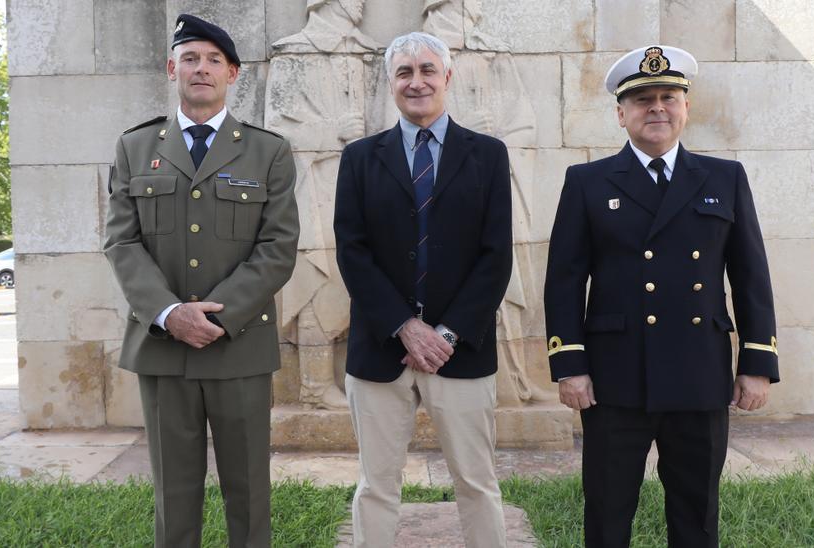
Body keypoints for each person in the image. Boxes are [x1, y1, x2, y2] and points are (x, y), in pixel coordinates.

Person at [543, 44, 780, 547]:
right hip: (613, 377)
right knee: (607, 509)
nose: (657, 108)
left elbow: (750, 274)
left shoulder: (724, 178)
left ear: (686, 108)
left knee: (696, 512)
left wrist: (757, 362)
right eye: (643, 99)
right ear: (621, 113)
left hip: (699, 372)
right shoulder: (587, 182)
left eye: (668, 97)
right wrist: (569, 364)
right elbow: (564, 278)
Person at [103, 14, 299, 548]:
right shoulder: (135, 147)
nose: (202, 69)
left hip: (238, 346)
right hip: (163, 347)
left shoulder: (269, 151)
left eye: (214, 60)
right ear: (172, 68)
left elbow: (278, 248)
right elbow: (121, 242)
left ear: (234, 74)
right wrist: (170, 314)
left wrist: (218, 316)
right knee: (174, 492)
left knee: (249, 491)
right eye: (190, 58)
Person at [333, 31, 512, 548]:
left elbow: (495, 256)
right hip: (380, 350)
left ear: (447, 77)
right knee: (376, 486)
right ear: (390, 84)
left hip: (462, 351)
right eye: (404, 73)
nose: (417, 82)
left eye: (428, 70)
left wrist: (447, 333)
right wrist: (406, 327)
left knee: (477, 483)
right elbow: (353, 251)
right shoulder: (361, 158)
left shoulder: (488, 156)